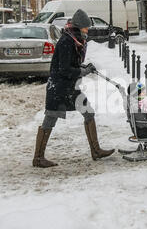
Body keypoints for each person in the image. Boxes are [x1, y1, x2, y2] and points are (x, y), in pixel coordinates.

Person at [32, 9, 115, 168]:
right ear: (78, 27)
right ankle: (38, 158)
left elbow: (71, 64)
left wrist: (84, 67)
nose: (87, 30)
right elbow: (64, 69)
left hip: (70, 87)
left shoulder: (74, 40)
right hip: (59, 88)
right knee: (50, 119)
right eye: (85, 27)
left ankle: (96, 150)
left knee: (88, 112)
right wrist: (83, 71)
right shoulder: (66, 42)